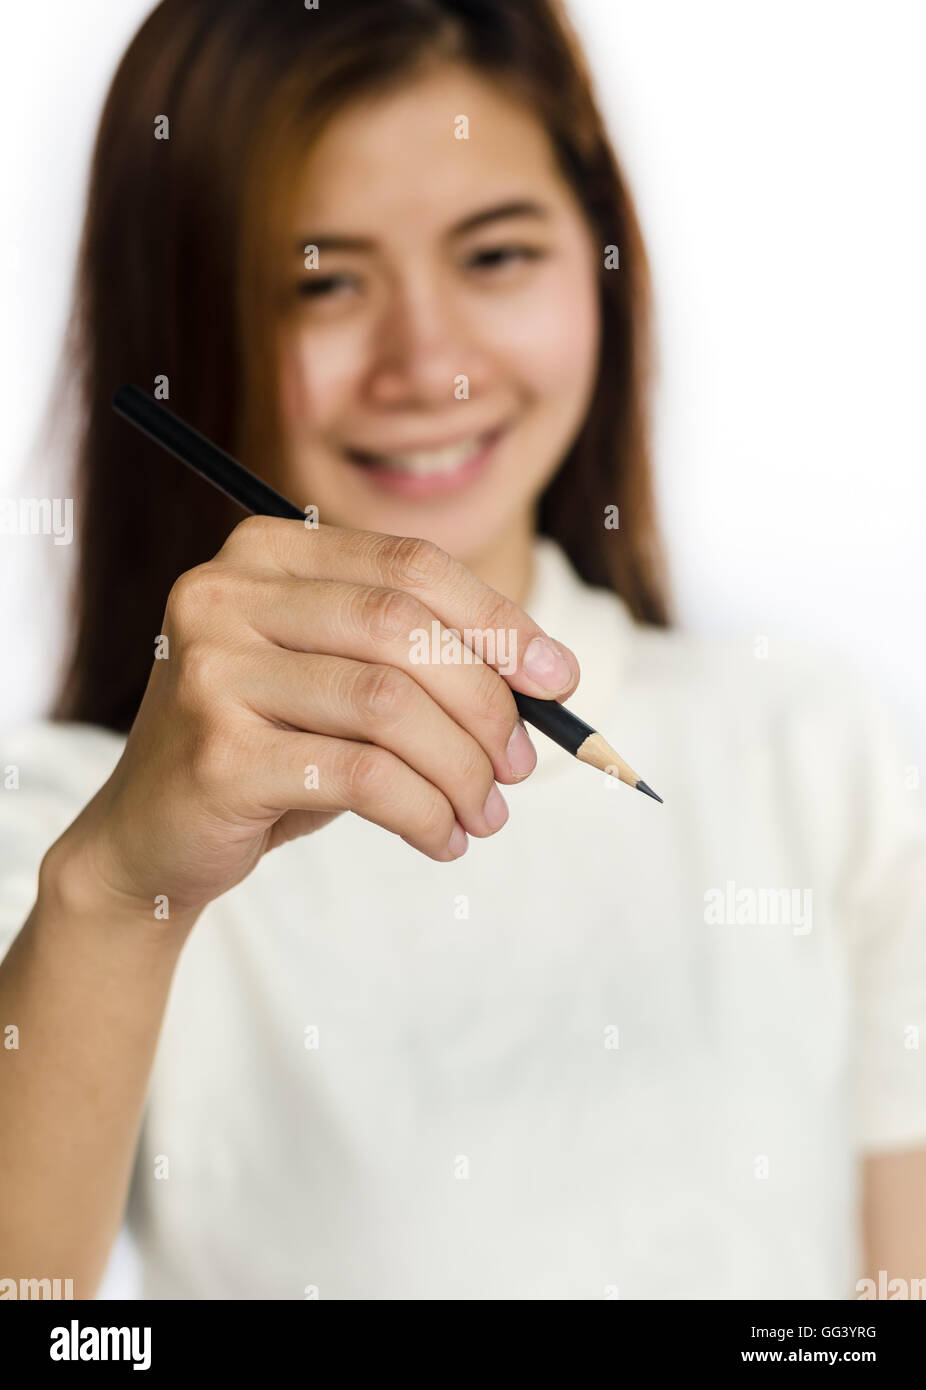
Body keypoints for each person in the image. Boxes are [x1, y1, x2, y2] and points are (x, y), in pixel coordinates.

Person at [1, 0, 924, 1301]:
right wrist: (108, 896)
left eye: (494, 257)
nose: (427, 363)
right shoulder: (73, 836)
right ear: (182, 320)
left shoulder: (814, 747)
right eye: (322, 280)